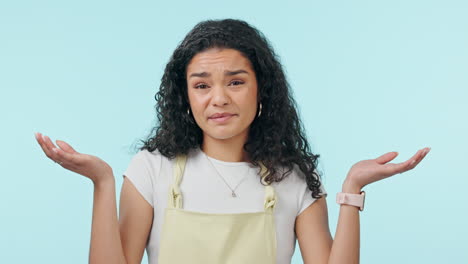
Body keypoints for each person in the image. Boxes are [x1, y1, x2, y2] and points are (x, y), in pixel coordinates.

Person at [35, 18, 430, 264]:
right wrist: (102, 181)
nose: (219, 98)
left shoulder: (293, 178)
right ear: (185, 97)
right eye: (202, 85)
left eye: (236, 82)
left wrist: (351, 191)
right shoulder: (152, 169)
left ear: (262, 92)